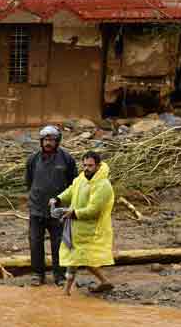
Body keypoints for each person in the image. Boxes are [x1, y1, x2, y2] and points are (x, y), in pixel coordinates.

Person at [52, 150, 115, 296]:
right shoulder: (81, 178)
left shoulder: (103, 185)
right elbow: (71, 190)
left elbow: (94, 210)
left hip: (91, 230)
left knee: (79, 258)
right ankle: (102, 282)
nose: (86, 168)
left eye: (90, 166)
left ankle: (66, 291)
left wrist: (74, 213)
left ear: (98, 166)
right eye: (85, 165)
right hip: (76, 228)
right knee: (76, 258)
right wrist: (58, 199)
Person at [25, 125, 77, 286]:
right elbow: (29, 182)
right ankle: (37, 274)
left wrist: (65, 203)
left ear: (57, 141)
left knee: (59, 243)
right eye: (45, 140)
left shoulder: (67, 159)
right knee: (35, 242)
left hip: (58, 211)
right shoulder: (33, 159)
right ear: (41, 141)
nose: (48, 143)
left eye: (52, 140)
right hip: (37, 208)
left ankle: (59, 275)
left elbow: (73, 184)